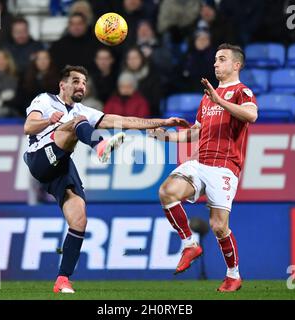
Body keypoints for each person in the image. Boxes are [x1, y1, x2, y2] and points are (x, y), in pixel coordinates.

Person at [23, 65, 189, 294]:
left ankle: (62, 280)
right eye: (75, 81)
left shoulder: (83, 110)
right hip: (39, 157)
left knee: (79, 218)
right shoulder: (45, 100)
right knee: (76, 122)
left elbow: (124, 120)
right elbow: (28, 127)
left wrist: (162, 122)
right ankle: (99, 146)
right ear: (62, 85)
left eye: (83, 82)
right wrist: (49, 120)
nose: (81, 85)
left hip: (61, 166)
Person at [148, 43, 258, 292]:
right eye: (216, 60)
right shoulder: (207, 98)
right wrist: (165, 137)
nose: (216, 64)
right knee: (167, 192)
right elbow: (195, 132)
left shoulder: (243, 92)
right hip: (201, 161)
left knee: (219, 226)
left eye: (222, 59)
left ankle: (233, 275)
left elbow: (251, 116)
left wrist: (219, 99)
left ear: (236, 65)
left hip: (225, 166)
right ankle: (189, 244)